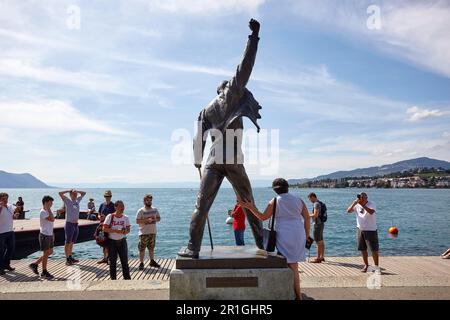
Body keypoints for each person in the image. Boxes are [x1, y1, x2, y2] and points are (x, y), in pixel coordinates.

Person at [178, 19, 264, 259]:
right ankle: (263, 245)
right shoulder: (231, 95)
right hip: (233, 159)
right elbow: (245, 67)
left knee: (201, 206)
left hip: (212, 161)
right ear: (226, 89)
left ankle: (193, 248)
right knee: (248, 202)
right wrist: (254, 37)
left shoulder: (205, 111)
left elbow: (199, 139)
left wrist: (197, 160)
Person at [239, 178, 311, 300]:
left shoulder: (275, 201)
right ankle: (295, 294)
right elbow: (307, 218)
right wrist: (306, 235)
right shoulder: (299, 200)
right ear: (287, 187)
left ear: (275, 190)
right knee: (294, 265)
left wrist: (250, 207)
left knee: (289, 264)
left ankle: (296, 295)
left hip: (284, 235)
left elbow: (262, 217)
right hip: (299, 234)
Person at [347, 192, 381, 274]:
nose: (360, 198)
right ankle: (366, 265)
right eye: (359, 197)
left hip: (371, 230)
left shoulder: (371, 204)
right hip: (360, 229)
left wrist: (362, 205)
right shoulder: (357, 205)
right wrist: (353, 203)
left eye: (362, 197)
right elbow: (348, 211)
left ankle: (376, 267)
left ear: (366, 197)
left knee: (374, 249)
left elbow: (371, 212)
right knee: (362, 249)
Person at [103, 201, 131, 280]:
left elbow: (128, 230)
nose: (123, 208)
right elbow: (104, 228)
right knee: (113, 263)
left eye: (123, 206)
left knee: (124, 262)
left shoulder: (126, 217)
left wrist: (125, 231)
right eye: (121, 206)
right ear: (115, 207)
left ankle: (127, 279)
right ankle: (113, 280)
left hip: (122, 241)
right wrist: (116, 231)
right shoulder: (110, 216)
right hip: (112, 242)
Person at [29, 196, 56, 279]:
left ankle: (35, 264)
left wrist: (52, 234)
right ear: (46, 202)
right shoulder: (43, 212)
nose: (51, 204)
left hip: (49, 234)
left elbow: (51, 222)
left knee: (50, 252)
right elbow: (52, 219)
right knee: (46, 253)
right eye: (50, 202)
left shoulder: (47, 211)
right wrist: (49, 209)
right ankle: (44, 271)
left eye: (52, 202)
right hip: (44, 235)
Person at [59, 189, 86, 266]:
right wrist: (69, 190)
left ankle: (70, 257)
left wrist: (76, 191)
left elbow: (84, 193)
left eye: (76, 194)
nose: (75, 195)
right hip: (69, 224)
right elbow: (60, 193)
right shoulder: (67, 201)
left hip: (75, 224)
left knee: (72, 242)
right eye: (73, 194)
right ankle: (67, 259)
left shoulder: (77, 200)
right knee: (67, 242)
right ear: (70, 195)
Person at [136, 194, 161, 271]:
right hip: (143, 233)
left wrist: (154, 219)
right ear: (144, 201)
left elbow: (159, 218)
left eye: (150, 200)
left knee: (151, 248)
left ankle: (152, 261)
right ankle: (141, 263)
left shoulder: (155, 209)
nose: (149, 202)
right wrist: (146, 220)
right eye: (148, 200)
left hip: (152, 232)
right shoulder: (141, 211)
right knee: (142, 249)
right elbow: (137, 221)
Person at [0, 192, 18, 275]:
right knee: (1, 251)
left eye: (6, 198)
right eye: (3, 199)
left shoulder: (10, 206)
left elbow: (14, 214)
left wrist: (15, 215)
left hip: (10, 231)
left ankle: (6, 265)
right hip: (1, 232)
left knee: (11, 248)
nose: (5, 200)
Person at [97, 190, 115, 264]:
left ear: (111, 197)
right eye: (106, 196)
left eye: (109, 196)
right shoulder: (102, 205)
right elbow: (98, 213)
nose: (107, 198)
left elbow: (114, 216)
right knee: (102, 242)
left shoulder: (113, 205)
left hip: (109, 226)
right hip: (102, 226)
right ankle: (105, 258)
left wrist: (106, 218)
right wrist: (100, 217)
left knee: (109, 242)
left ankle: (109, 258)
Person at [307, 193, 325, 263]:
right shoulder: (320, 203)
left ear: (313, 197)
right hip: (321, 223)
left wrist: (307, 215)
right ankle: (322, 257)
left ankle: (318, 258)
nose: (310, 200)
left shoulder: (316, 204)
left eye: (310, 199)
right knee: (321, 241)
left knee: (317, 241)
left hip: (317, 224)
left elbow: (315, 215)